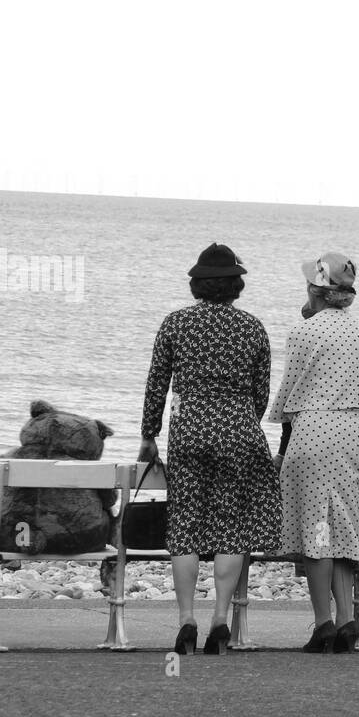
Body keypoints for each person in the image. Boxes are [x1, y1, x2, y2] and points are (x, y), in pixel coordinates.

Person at [139, 243, 281, 655]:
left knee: (184, 526)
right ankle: (220, 617)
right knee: (231, 525)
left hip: (189, 433)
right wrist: (237, 418)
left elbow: (156, 385)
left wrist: (149, 435)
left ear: (196, 285)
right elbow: (260, 394)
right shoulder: (252, 328)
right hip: (239, 432)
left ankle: (187, 619)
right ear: (236, 285)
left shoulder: (175, 324)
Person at [269, 252, 359, 653]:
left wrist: (281, 451)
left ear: (316, 290)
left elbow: (288, 398)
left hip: (313, 428)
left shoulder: (303, 332)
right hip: (355, 431)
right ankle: (346, 619)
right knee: (342, 522)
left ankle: (323, 619)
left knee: (315, 527)